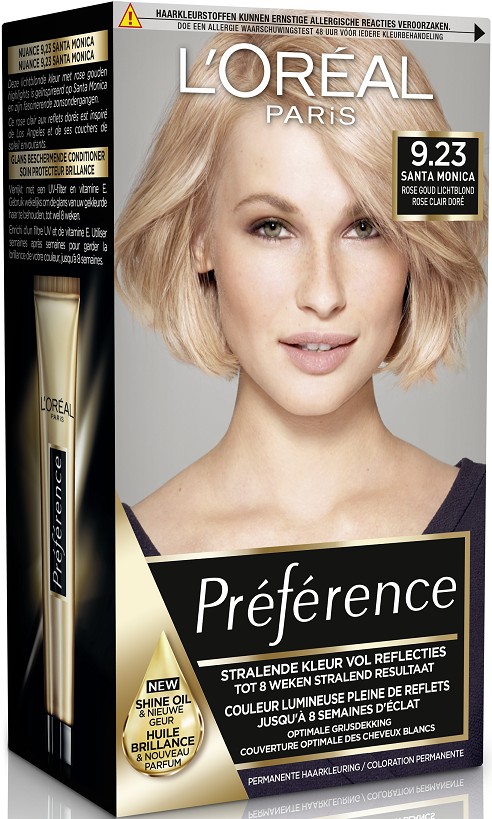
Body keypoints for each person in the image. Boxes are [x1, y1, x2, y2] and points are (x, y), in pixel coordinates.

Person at [115, 33, 486, 556]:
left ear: (416, 243)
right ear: (201, 240)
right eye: (272, 227)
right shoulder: (111, 570)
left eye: (365, 227)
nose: (323, 293)